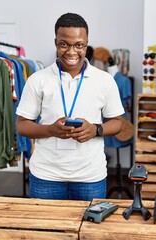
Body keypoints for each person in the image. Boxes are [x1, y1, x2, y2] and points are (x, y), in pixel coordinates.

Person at [16, 13, 124, 201]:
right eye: (64, 44)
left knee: (89, 230)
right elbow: (22, 124)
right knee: (45, 230)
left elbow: (118, 122)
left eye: (79, 45)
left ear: (86, 44)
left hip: (90, 177)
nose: (72, 52)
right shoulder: (37, 80)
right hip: (45, 176)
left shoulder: (105, 80)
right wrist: (50, 129)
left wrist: (95, 129)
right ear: (56, 42)